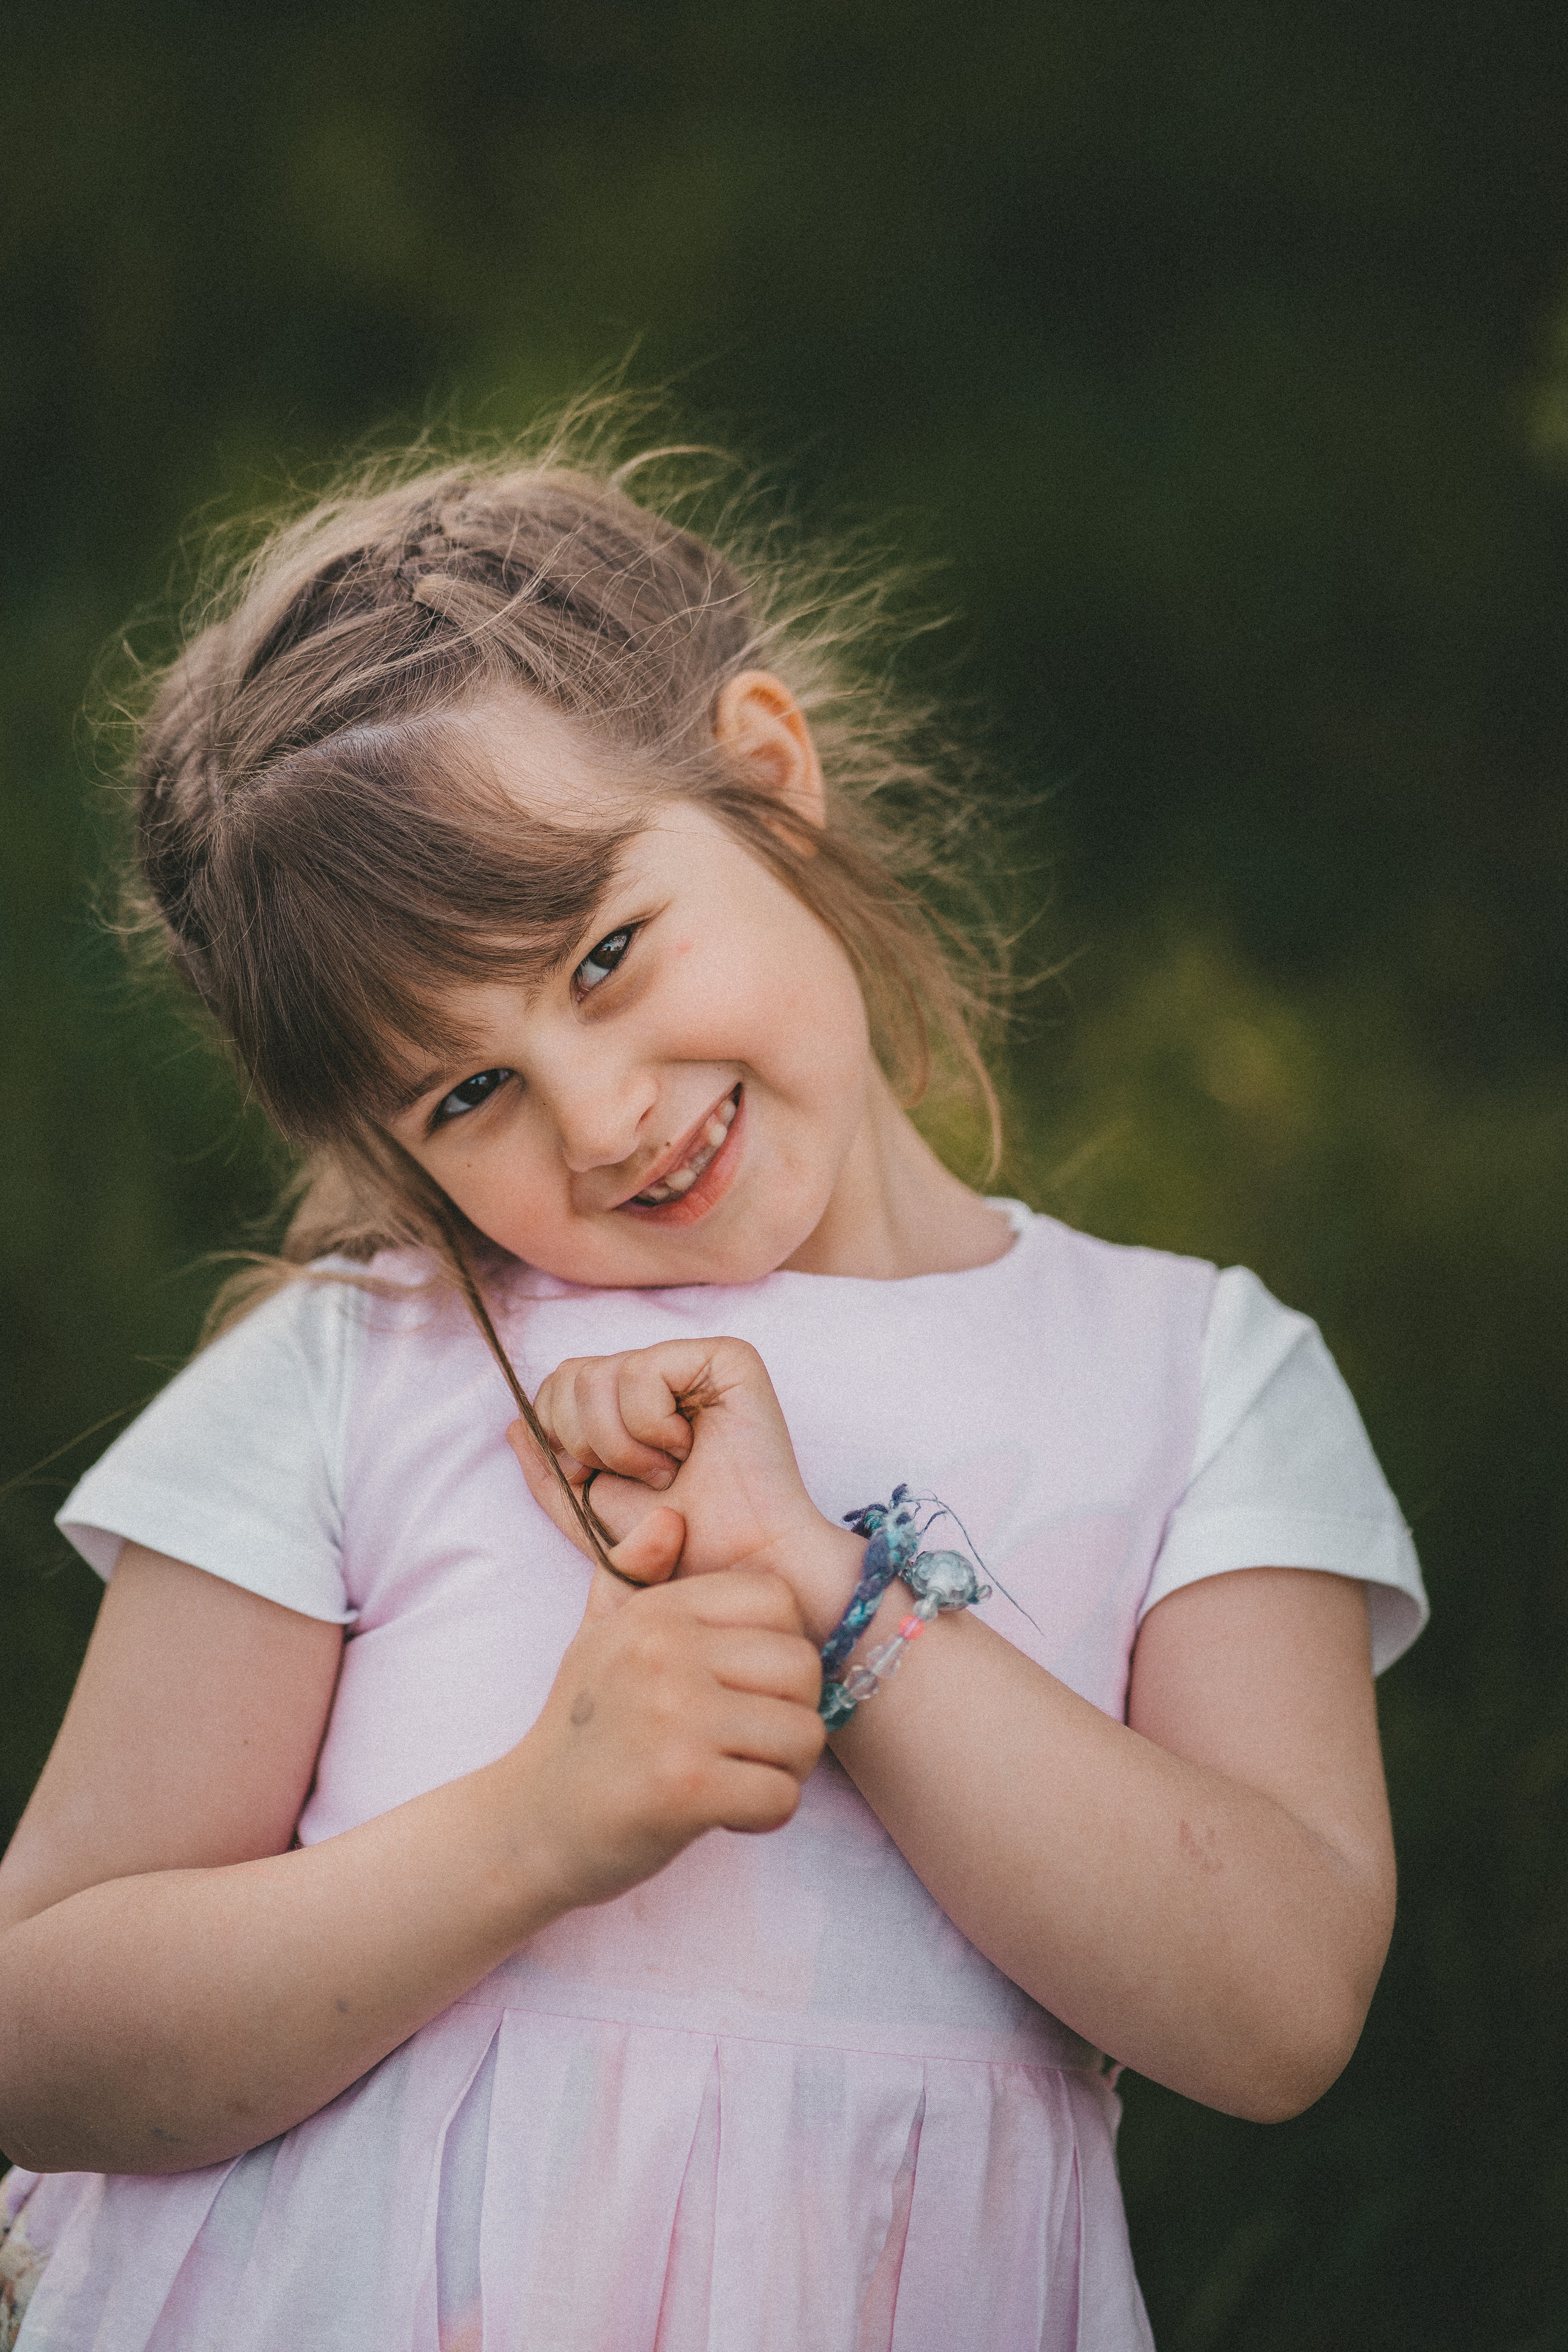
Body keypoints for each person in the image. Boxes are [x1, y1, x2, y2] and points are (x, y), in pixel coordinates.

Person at [0, 432, 1426, 2351]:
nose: (601, 1118)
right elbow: (38, 2028)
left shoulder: (1196, 1373)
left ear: (767, 781)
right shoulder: (366, 1370)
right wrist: (537, 1826)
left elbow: (1276, 2006)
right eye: (464, 1092)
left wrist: (838, 1603)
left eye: (603, 954)